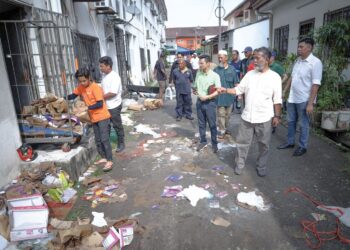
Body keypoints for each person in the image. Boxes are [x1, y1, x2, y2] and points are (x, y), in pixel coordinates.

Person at [219, 47, 282, 177]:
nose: (254, 61)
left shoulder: (275, 77)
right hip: (247, 117)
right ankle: (239, 165)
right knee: (242, 143)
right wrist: (225, 89)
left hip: (264, 118)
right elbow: (238, 90)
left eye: (257, 58)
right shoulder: (249, 75)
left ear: (267, 59)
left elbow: (277, 99)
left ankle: (261, 166)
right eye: (253, 58)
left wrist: (277, 116)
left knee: (264, 145)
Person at [277, 37, 323, 156]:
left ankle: (303, 146)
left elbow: (316, 84)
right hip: (292, 98)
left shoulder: (316, 63)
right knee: (291, 121)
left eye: (301, 47)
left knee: (303, 124)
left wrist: (310, 103)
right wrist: (285, 91)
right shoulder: (298, 60)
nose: (298, 49)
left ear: (309, 48)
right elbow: (292, 77)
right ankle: (290, 142)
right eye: (298, 47)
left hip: (304, 99)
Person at [68, 68, 114, 171]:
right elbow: (73, 95)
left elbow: (100, 103)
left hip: (102, 116)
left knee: (104, 139)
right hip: (93, 118)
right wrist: (63, 98)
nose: (82, 83)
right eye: (80, 81)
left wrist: (86, 108)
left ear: (89, 78)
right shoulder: (81, 87)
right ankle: (103, 157)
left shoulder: (95, 88)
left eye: (84, 80)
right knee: (97, 140)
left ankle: (110, 160)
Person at [193, 55, 221, 153]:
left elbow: (218, 91)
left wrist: (207, 97)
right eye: (199, 63)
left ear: (208, 64)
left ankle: (214, 144)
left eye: (201, 63)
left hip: (210, 103)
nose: (199, 65)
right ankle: (203, 141)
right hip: (199, 102)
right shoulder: (198, 73)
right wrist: (195, 91)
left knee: (212, 124)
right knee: (201, 124)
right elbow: (195, 86)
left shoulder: (215, 76)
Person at [98, 56, 125, 153]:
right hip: (106, 105)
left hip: (114, 105)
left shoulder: (115, 76)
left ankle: (121, 143)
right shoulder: (105, 76)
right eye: (100, 66)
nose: (100, 68)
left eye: (102, 66)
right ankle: (106, 145)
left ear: (108, 66)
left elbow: (113, 92)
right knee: (106, 126)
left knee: (117, 125)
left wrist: (100, 98)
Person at [214, 50, 239, 138]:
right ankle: (222, 130)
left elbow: (236, 82)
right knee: (221, 115)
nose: (220, 59)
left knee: (228, 115)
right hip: (219, 97)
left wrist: (239, 95)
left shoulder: (232, 69)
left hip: (229, 97)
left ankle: (225, 128)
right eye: (218, 58)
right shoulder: (216, 70)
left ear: (226, 58)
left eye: (221, 57)